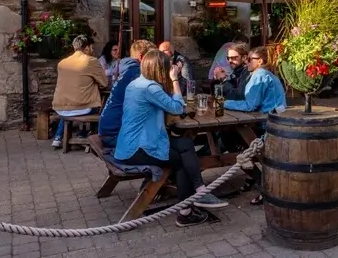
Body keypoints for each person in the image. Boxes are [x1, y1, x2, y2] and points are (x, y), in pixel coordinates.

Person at [115, 50, 228, 227]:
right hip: (138, 149)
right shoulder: (150, 88)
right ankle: (186, 211)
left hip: (128, 144)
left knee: (185, 144)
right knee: (182, 161)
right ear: (161, 69)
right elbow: (177, 108)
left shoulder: (136, 84)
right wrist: (175, 79)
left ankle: (200, 191)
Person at [223, 46, 286, 205]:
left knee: (229, 139)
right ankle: (254, 176)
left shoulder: (260, 75)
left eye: (250, 59)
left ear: (260, 61)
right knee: (229, 137)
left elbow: (250, 105)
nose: (247, 62)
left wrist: (223, 104)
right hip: (276, 122)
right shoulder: (266, 74)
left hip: (268, 126)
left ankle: (264, 184)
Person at [51, 35, 108, 149]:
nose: (92, 50)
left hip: (60, 108)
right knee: (98, 106)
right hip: (83, 107)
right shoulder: (91, 61)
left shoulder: (62, 63)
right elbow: (104, 83)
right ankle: (86, 134)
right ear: (86, 48)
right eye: (91, 47)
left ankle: (58, 137)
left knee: (70, 105)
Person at [98, 39, 154, 148]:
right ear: (141, 57)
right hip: (116, 135)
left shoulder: (127, 69)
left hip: (107, 131)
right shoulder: (137, 74)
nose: (155, 61)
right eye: (152, 57)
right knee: (163, 147)